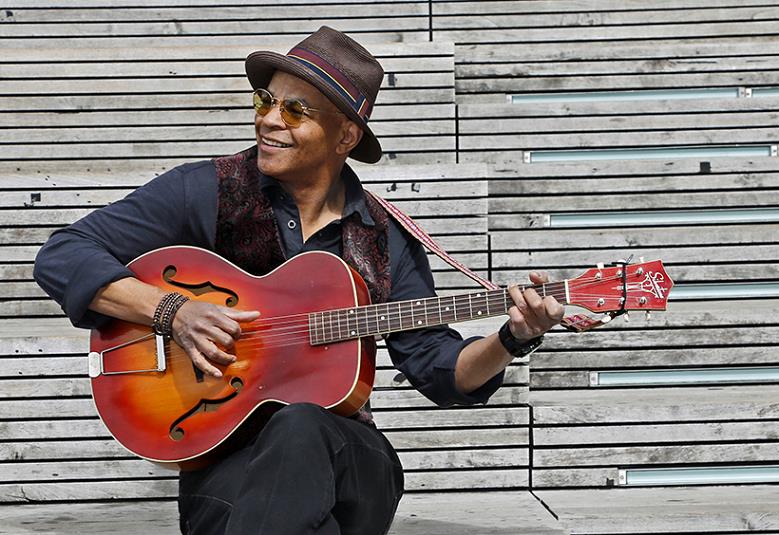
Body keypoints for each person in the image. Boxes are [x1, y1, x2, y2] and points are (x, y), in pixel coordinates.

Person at [33, 26, 564, 535]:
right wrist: (172, 312)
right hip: (227, 462)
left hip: (347, 461)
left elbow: (439, 370)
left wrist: (511, 339)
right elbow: (62, 255)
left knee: (301, 425)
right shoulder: (208, 191)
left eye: (295, 110)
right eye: (266, 101)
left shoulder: (384, 238)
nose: (268, 119)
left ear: (346, 136)